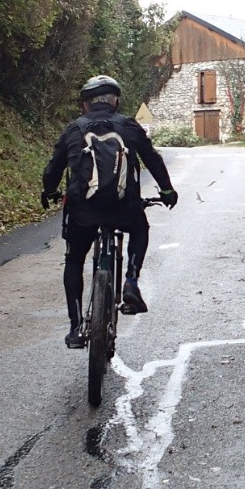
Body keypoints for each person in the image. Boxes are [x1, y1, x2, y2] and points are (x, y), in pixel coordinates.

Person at [41, 75, 178, 347]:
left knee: (74, 260)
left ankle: (76, 326)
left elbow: (54, 168)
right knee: (140, 228)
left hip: (83, 212)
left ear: (85, 105)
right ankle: (130, 282)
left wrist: (49, 191)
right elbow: (152, 159)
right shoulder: (128, 126)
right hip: (122, 208)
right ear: (115, 101)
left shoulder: (73, 130)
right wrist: (166, 190)